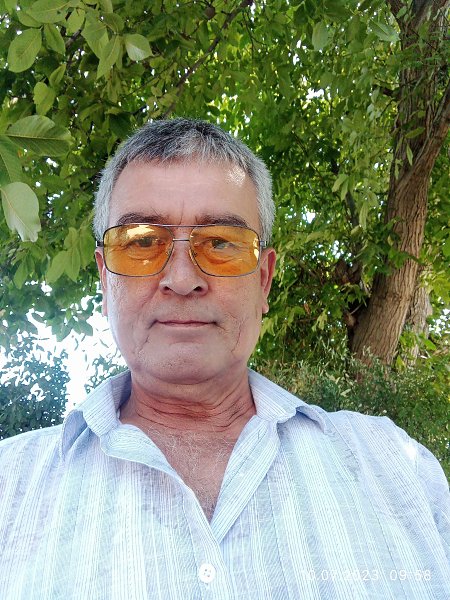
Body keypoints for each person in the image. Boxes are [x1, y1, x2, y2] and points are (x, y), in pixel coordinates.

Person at [0, 118, 448, 600]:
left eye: (220, 243)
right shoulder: (10, 485)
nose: (181, 279)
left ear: (263, 281)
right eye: (142, 242)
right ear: (105, 281)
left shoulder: (395, 469)